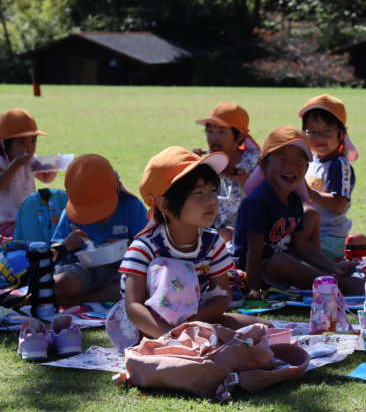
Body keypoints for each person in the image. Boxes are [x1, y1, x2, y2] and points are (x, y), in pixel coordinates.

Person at [110, 146, 270, 350]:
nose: (211, 200)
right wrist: (170, 336)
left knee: (264, 329)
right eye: (198, 193)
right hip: (148, 327)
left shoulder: (213, 243)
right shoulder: (144, 248)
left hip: (196, 319)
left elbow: (221, 295)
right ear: (165, 205)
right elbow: (133, 307)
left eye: (213, 190)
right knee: (199, 351)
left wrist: (191, 325)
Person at [230, 126, 364, 298]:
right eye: (282, 159)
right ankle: (336, 284)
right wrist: (253, 290)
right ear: (264, 165)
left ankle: (325, 277)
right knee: (279, 262)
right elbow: (253, 253)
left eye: (299, 161)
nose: (291, 167)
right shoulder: (257, 202)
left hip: (282, 260)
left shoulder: (293, 199)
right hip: (254, 271)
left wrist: (333, 266)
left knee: (310, 214)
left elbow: (303, 247)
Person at [50, 154, 148, 306]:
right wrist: (66, 245)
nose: (97, 219)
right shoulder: (71, 214)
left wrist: (130, 245)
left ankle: (81, 299)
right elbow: (51, 254)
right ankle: (86, 296)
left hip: (119, 270)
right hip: (82, 270)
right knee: (62, 283)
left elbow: (149, 244)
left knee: (136, 285)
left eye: (102, 211)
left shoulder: (131, 207)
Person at [299, 94, 359, 260]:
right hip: (308, 230)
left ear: (341, 134)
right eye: (313, 132)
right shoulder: (309, 160)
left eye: (327, 131)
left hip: (328, 238)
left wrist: (309, 192)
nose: (319, 138)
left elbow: (339, 205)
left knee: (292, 258)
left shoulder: (338, 165)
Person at [194, 102, 261, 242]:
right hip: (209, 226)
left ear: (239, 136)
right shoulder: (207, 160)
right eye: (209, 131)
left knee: (227, 235)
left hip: (242, 228)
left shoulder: (252, 162)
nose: (213, 138)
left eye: (222, 132)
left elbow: (263, 197)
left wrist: (243, 179)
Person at [0, 108, 57, 238]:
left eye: (33, 141)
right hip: (5, 222)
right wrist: (16, 165)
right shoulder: (2, 162)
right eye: (21, 142)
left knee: (50, 230)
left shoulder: (30, 160)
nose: (29, 147)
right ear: (5, 143)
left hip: (27, 217)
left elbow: (46, 178)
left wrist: (54, 167)